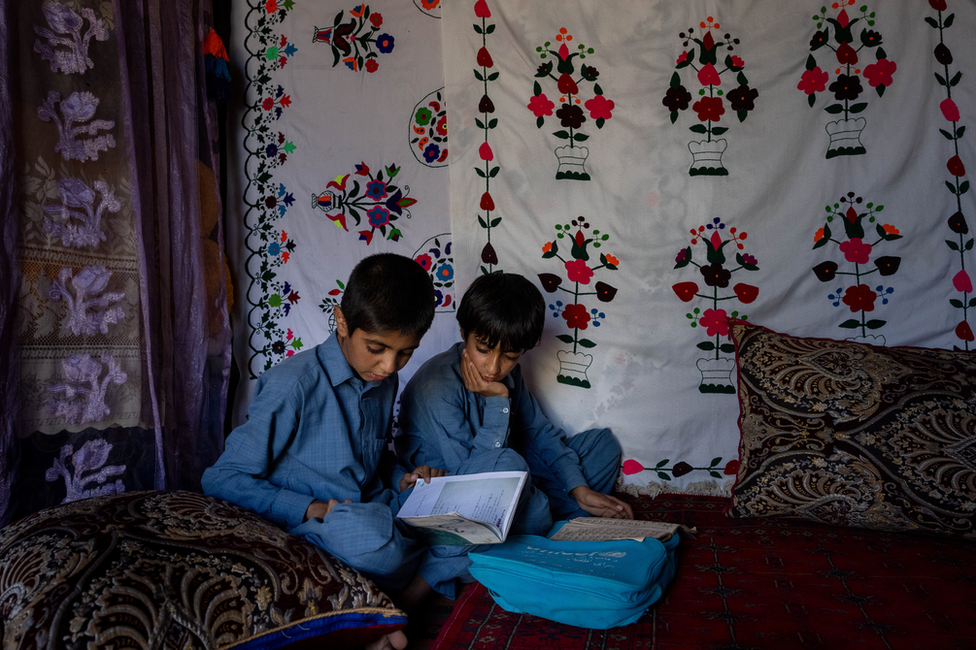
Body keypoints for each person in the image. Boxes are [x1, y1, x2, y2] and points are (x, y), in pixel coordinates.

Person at [202, 253, 441, 650]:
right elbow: (220, 478)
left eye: (404, 353)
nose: (388, 365)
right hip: (318, 530)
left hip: (369, 509)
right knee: (372, 540)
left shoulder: (383, 380)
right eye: (377, 348)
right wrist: (310, 507)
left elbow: (372, 457)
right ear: (342, 321)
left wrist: (404, 476)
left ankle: (382, 608)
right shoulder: (294, 384)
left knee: (467, 518)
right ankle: (394, 597)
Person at [397, 272, 633, 596]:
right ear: (464, 332)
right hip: (452, 499)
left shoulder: (511, 374)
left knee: (601, 445)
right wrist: (497, 400)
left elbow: (538, 430)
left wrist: (578, 489)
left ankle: (539, 521)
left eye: (510, 356)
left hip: (512, 484)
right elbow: (476, 480)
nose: (493, 368)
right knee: (517, 475)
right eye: (482, 349)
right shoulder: (436, 387)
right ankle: (538, 522)